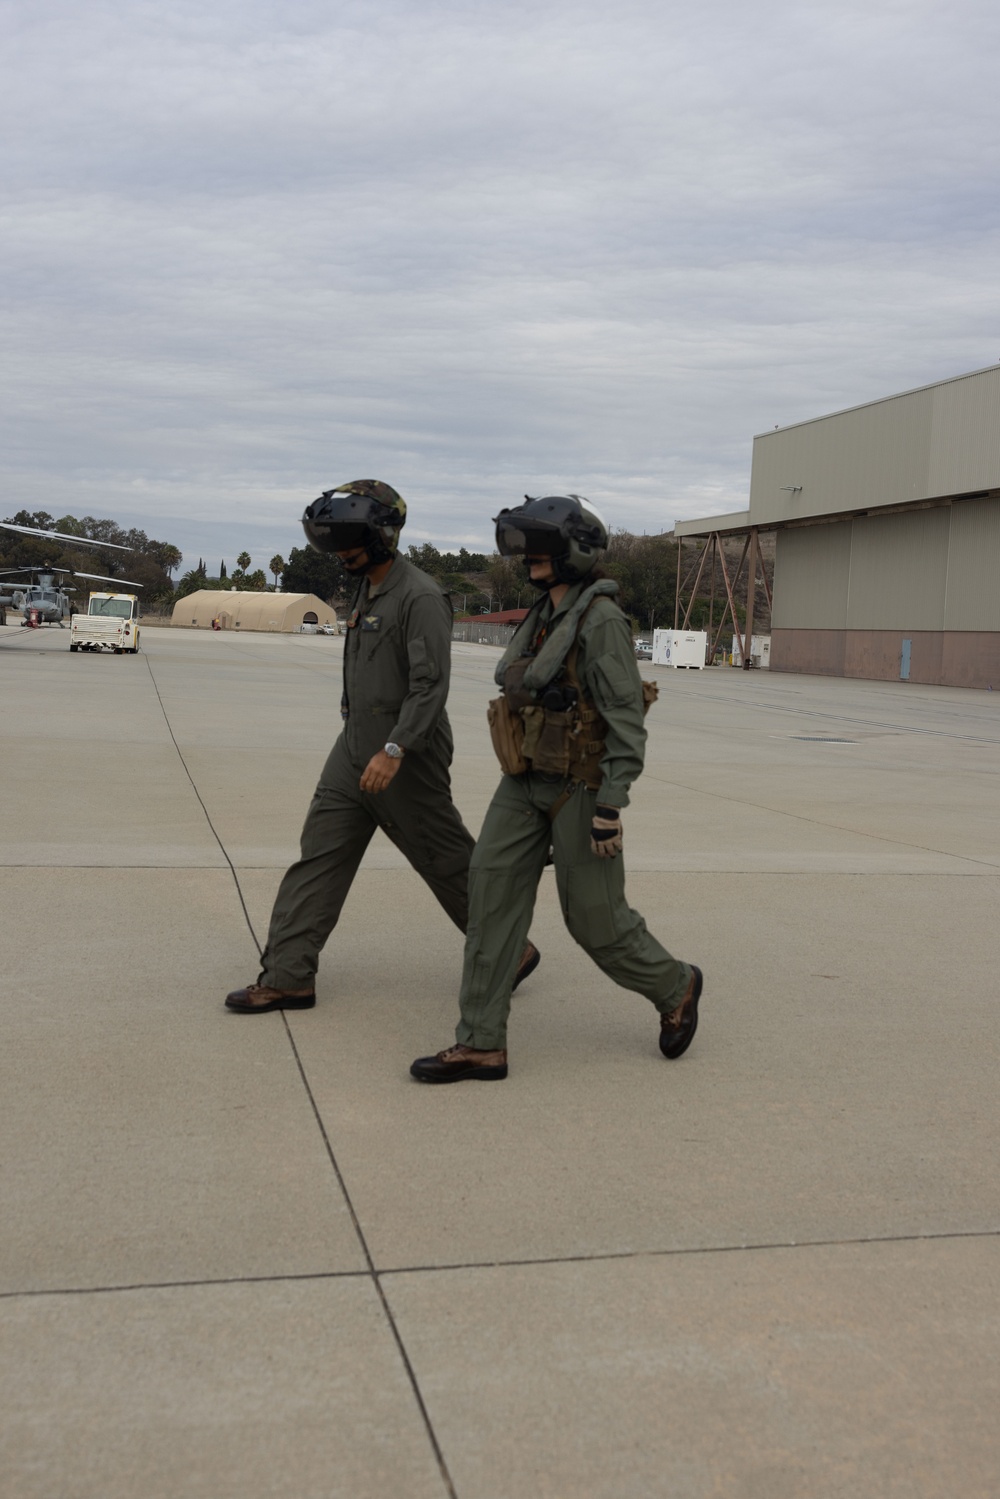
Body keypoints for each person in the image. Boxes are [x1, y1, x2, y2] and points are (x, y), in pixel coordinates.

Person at [410, 493, 702, 1082]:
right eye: (528, 549)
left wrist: (611, 805)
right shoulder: (544, 616)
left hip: (581, 788)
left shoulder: (602, 623)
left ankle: (674, 983)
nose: (532, 559)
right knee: (489, 903)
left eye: (543, 550)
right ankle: (481, 1043)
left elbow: (626, 720)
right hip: (522, 781)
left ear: (576, 552)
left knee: (595, 921)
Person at [225, 480, 539, 1014]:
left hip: (404, 754)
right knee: (319, 857)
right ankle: (288, 975)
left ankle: (510, 950)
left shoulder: (419, 596)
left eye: (350, 540)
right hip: (353, 748)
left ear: (383, 536)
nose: (340, 552)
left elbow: (429, 686)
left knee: (445, 861)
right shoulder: (368, 589)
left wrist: (395, 749)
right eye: (335, 540)